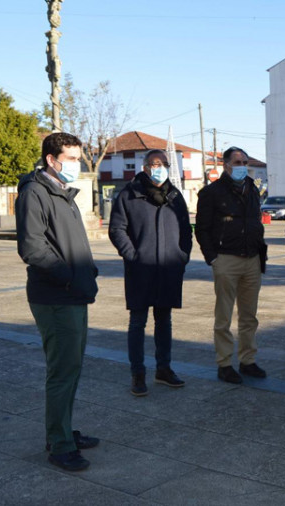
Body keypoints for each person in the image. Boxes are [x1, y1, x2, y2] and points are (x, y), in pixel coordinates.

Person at [16, 132, 99, 472]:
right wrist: (69, 276)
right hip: (55, 296)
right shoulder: (35, 192)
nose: (76, 164)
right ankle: (59, 444)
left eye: (79, 157)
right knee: (62, 372)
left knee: (72, 368)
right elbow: (32, 248)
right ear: (51, 159)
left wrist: (85, 275)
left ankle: (64, 430)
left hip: (74, 293)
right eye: (71, 157)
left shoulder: (62, 192)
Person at [109, 149, 192, 396]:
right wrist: (132, 256)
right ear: (145, 167)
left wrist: (181, 256)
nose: (159, 168)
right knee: (137, 322)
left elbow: (186, 230)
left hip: (168, 268)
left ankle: (164, 369)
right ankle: (138, 373)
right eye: (154, 163)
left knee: (164, 321)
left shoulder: (175, 196)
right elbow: (117, 229)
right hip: (140, 269)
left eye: (163, 163)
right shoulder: (129, 194)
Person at [196, 146, 268, 384]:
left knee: (249, 316)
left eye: (244, 161)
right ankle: (224, 363)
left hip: (252, 259)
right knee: (224, 316)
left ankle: (248, 360)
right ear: (225, 165)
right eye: (237, 162)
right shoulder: (211, 192)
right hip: (226, 258)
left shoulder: (252, 188)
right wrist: (212, 258)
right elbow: (202, 229)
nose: (242, 166)